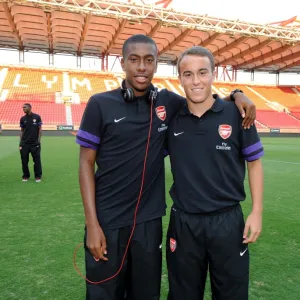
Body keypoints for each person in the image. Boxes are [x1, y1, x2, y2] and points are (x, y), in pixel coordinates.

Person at [76, 34, 256, 300]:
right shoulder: (99, 104)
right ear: (122, 63)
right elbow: (85, 163)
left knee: (147, 294)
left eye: (149, 60)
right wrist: (92, 224)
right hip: (108, 221)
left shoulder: (167, 102)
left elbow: (202, 98)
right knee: (104, 294)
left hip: (149, 222)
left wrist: (237, 95)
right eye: (134, 60)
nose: (141, 67)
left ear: (156, 65)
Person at [166, 46, 264, 300]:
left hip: (228, 222)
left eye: (202, 72)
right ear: (180, 78)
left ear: (213, 74)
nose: (196, 81)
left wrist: (256, 212)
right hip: (184, 223)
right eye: (188, 74)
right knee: (182, 295)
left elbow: (254, 163)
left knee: (231, 294)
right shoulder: (171, 118)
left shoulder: (238, 114)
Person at [19, 103, 43, 182]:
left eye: (25, 107)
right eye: (23, 108)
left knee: (37, 161)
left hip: (34, 143)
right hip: (25, 143)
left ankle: (38, 176)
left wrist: (39, 140)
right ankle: (26, 176)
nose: (23, 109)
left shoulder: (37, 117)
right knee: (24, 161)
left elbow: (40, 129)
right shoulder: (22, 119)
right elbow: (22, 131)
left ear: (29, 107)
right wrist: (20, 143)